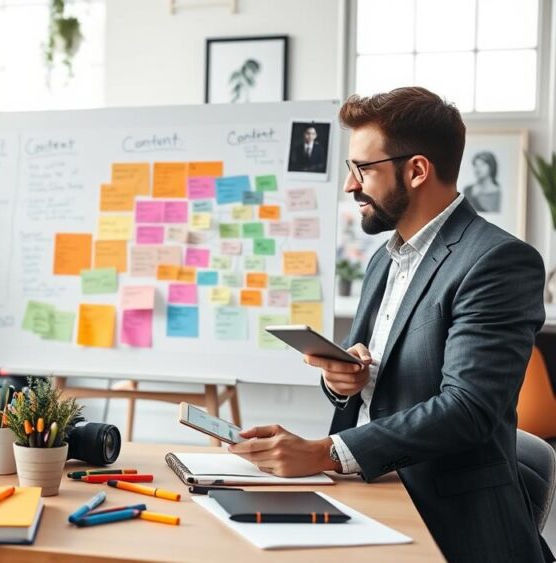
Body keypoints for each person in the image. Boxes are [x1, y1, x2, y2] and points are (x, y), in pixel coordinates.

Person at [228, 87, 552, 562]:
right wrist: (344, 378)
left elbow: (469, 409)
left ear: (417, 170)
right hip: (369, 492)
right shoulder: (385, 258)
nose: (349, 185)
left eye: (363, 168)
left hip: (449, 523)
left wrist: (324, 452)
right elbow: (376, 382)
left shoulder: (498, 261)